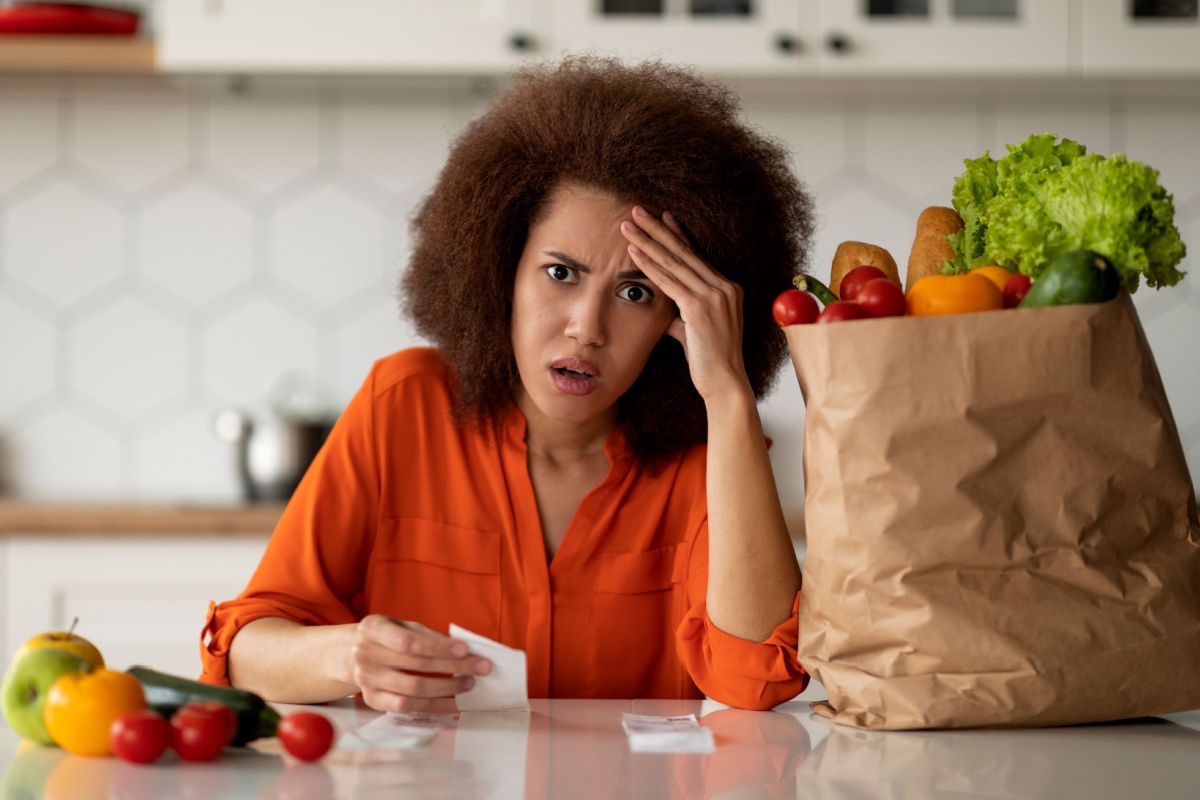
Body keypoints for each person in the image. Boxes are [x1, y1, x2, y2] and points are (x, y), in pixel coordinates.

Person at [199, 55, 816, 712]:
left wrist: (728, 395)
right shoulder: (403, 404)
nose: (587, 328)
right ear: (503, 271)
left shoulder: (709, 454)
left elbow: (758, 678)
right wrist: (349, 654)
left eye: (637, 292)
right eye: (560, 274)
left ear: (679, 315)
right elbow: (244, 653)